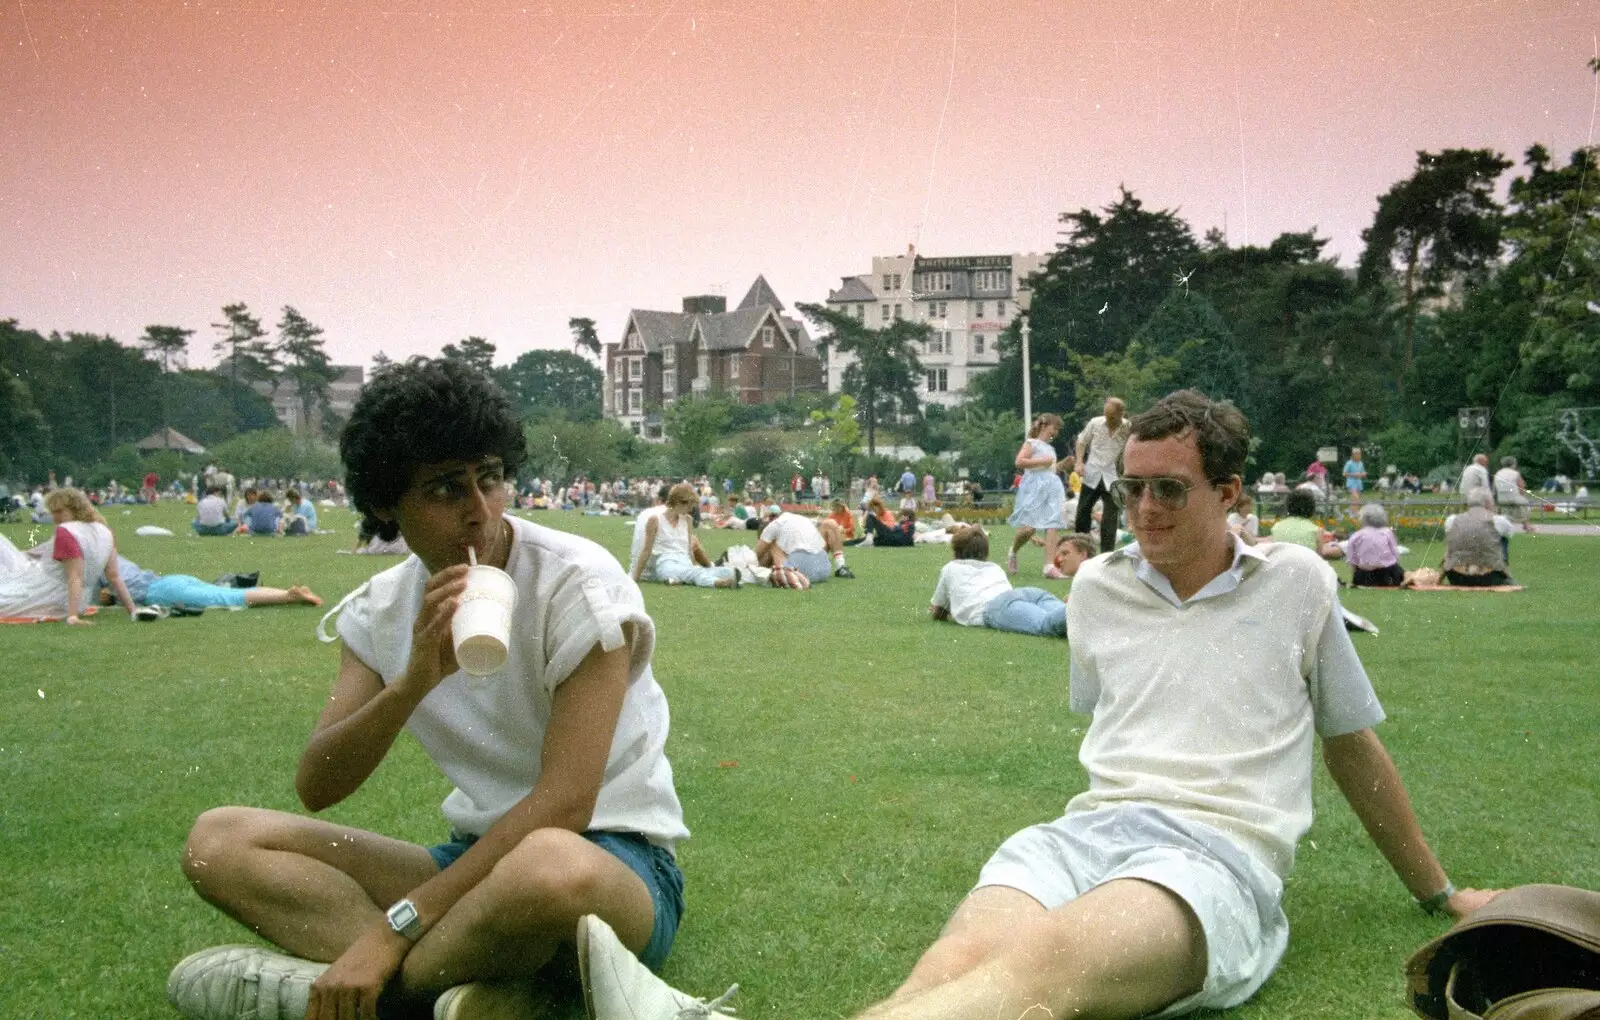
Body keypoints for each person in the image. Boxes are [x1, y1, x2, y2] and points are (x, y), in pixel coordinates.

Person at [583, 389, 1499, 1020]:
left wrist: (1441, 892)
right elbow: (1116, 724)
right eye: (1131, 487)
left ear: (1229, 494)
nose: (1141, 508)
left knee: (1039, 976)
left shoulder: (1296, 583)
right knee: (950, 973)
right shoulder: (1097, 587)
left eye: (1168, 490)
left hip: (1216, 860)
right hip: (1084, 834)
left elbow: (1352, 745)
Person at [167, 358, 691, 1020]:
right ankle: (480, 989)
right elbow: (318, 784)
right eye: (446, 489)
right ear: (388, 501)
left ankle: (370, 994)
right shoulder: (380, 611)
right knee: (219, 841)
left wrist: (392, 932)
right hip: (473, 865)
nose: (481, 513)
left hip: (612, 860)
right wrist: (412, 681)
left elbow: (566, 802)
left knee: (552, 868)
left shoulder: (578, 583)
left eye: (491, 479)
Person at [0, 487, 138, 623]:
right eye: (53, 512)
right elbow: (114, 576)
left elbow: (75, 576)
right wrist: (132, 610)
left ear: (76, 509)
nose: (55, 517)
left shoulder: (67, 531)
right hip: (78, 602)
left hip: (46, 595)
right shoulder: (105, 532)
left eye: (59, 511)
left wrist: (72, 617)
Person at [929, 527, 1093, 638]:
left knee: (1046, 625)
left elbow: (939, 612)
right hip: (1025, 594)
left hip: (996, 607)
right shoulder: (993, 567)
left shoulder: (951, 568)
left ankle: (1085, 598)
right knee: (1073, 618)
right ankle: (1097, 613)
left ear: (956, 550)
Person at [101, 555, 323, 611]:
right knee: (224, 593)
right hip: (170, 580)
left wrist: (109, 598)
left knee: (229, 598)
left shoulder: (99, 568)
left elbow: (111, 591)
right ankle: (286, 593)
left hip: (161, 593)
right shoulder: (109, 550)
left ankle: (287, 596)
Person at [631, 483, 738, 589]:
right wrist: (635, 577)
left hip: (684, 561)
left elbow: (689, 550)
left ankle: (680, 579)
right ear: (679, 502)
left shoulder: (687, 520)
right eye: (690, 505)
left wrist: (692, 565)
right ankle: (717, 583)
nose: (691, 509)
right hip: (666, 563)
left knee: (718, 571)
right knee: (695, 573)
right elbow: (646, 551)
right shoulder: (655, 520)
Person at [1008, 413, 1072, 578]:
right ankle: (1013, 551)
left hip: (1052, 486)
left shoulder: (1050, 449)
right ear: (1044, 426)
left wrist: (1062, 465)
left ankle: (1049, 566)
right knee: (1029, 529)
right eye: (1054, 428)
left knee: (1053, 523)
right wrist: (1043, 462)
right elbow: (1020, 462)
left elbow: (1049, 468)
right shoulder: (1032, 443)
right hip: (1034, 487)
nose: (1055, 432)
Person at [1073, 397, 1130, 555]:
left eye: (1112, 417)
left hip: (1114, 477)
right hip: (1093, 473)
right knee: (1082, 514)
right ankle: (1081, 551)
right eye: (1106, 415)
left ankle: (1106, 556)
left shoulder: (1128, 428)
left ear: (1121, 414)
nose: (1108, 419)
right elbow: (1081, 441)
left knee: (1111, 518)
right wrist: (1079, 462)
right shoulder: (1095, 423)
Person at [755, 504, 853, 581]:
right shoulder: (799, 519)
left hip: (799, 573)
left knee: (773, 546)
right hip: (824, 571)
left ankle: (787, 572)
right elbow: (827, 522)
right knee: (830, 523)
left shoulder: (772, 527)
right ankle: (841, 567)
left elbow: (754, 556)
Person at [1442, 490, 1514, 586]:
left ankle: (1446, 570)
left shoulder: (1452, 520)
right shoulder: (1498, 520)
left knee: (1454, 539)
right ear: (1487, 503)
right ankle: (1505, 574)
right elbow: (1510, 533)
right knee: (1502, 538)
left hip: (1456, 577)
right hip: (1490, 577)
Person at [1268, 489, 1344, 560]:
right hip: (1306, 569)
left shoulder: (1276, 527)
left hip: (1281, 568)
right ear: (1312, 508)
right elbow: (1320, 559)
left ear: (1288, 506)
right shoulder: (1316, 531)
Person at [1346, 502, 1405, 587]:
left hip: (1365, 575)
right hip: (1388, 573)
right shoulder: (1387, 532)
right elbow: (1395, 554)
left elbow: (1352, 559)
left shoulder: (1356, 535)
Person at [1492, 456, 1532, 532]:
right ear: (1513, 464)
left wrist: (1495, 500)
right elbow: (1521, 487)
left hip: (1501, 499)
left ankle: (1504, 526)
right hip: (1514, 499)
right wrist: (1523, 496)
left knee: (1509, 509)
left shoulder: (1497, 474)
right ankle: (1527, 526)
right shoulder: (1515, 473)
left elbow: (1494, 489)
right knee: (1524, 504)